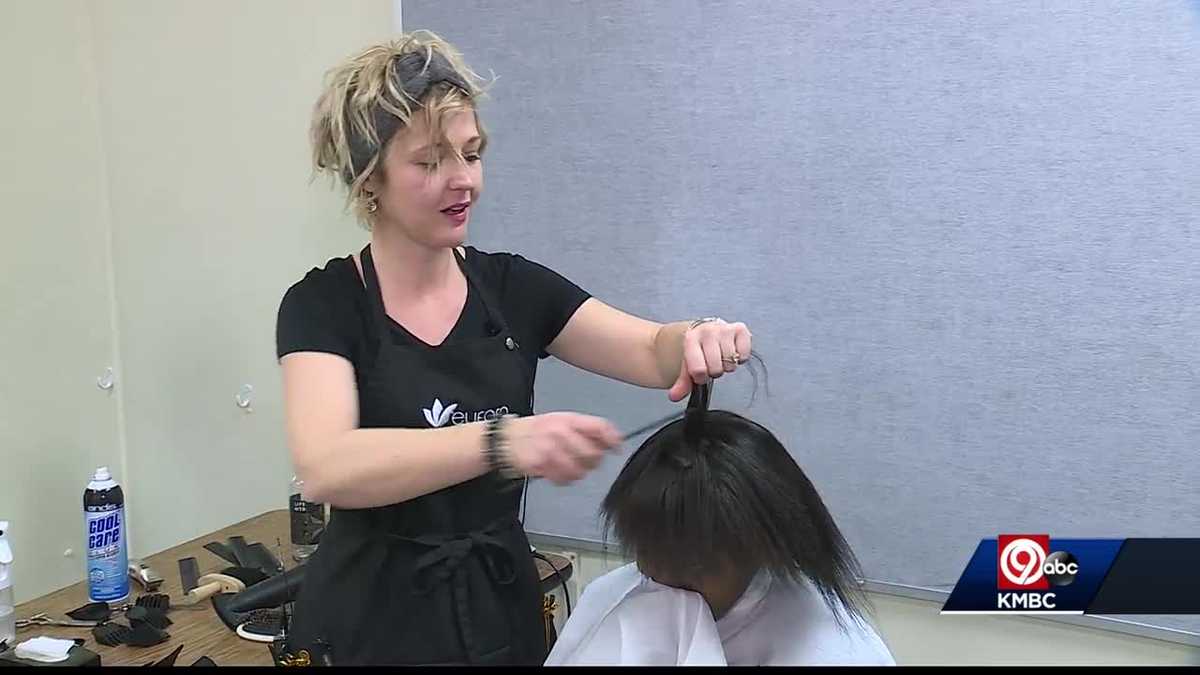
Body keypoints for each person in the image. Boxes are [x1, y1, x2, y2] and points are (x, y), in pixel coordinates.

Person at [274, 31, 754, 665]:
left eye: (472, 155)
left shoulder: (511, 289)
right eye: (429, 162)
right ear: (370, 177)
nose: (462, 181)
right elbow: (327, 465)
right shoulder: (325, 305)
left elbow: (650, 350)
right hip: (371, 613)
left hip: (497, 607)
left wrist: (698, 337)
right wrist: (502, 442)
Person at [545, 389, 895, 666]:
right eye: (646, 556)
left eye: (692, 568)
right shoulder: (611, 592)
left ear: (760, 552)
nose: (662, 579)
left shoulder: (832, 652)